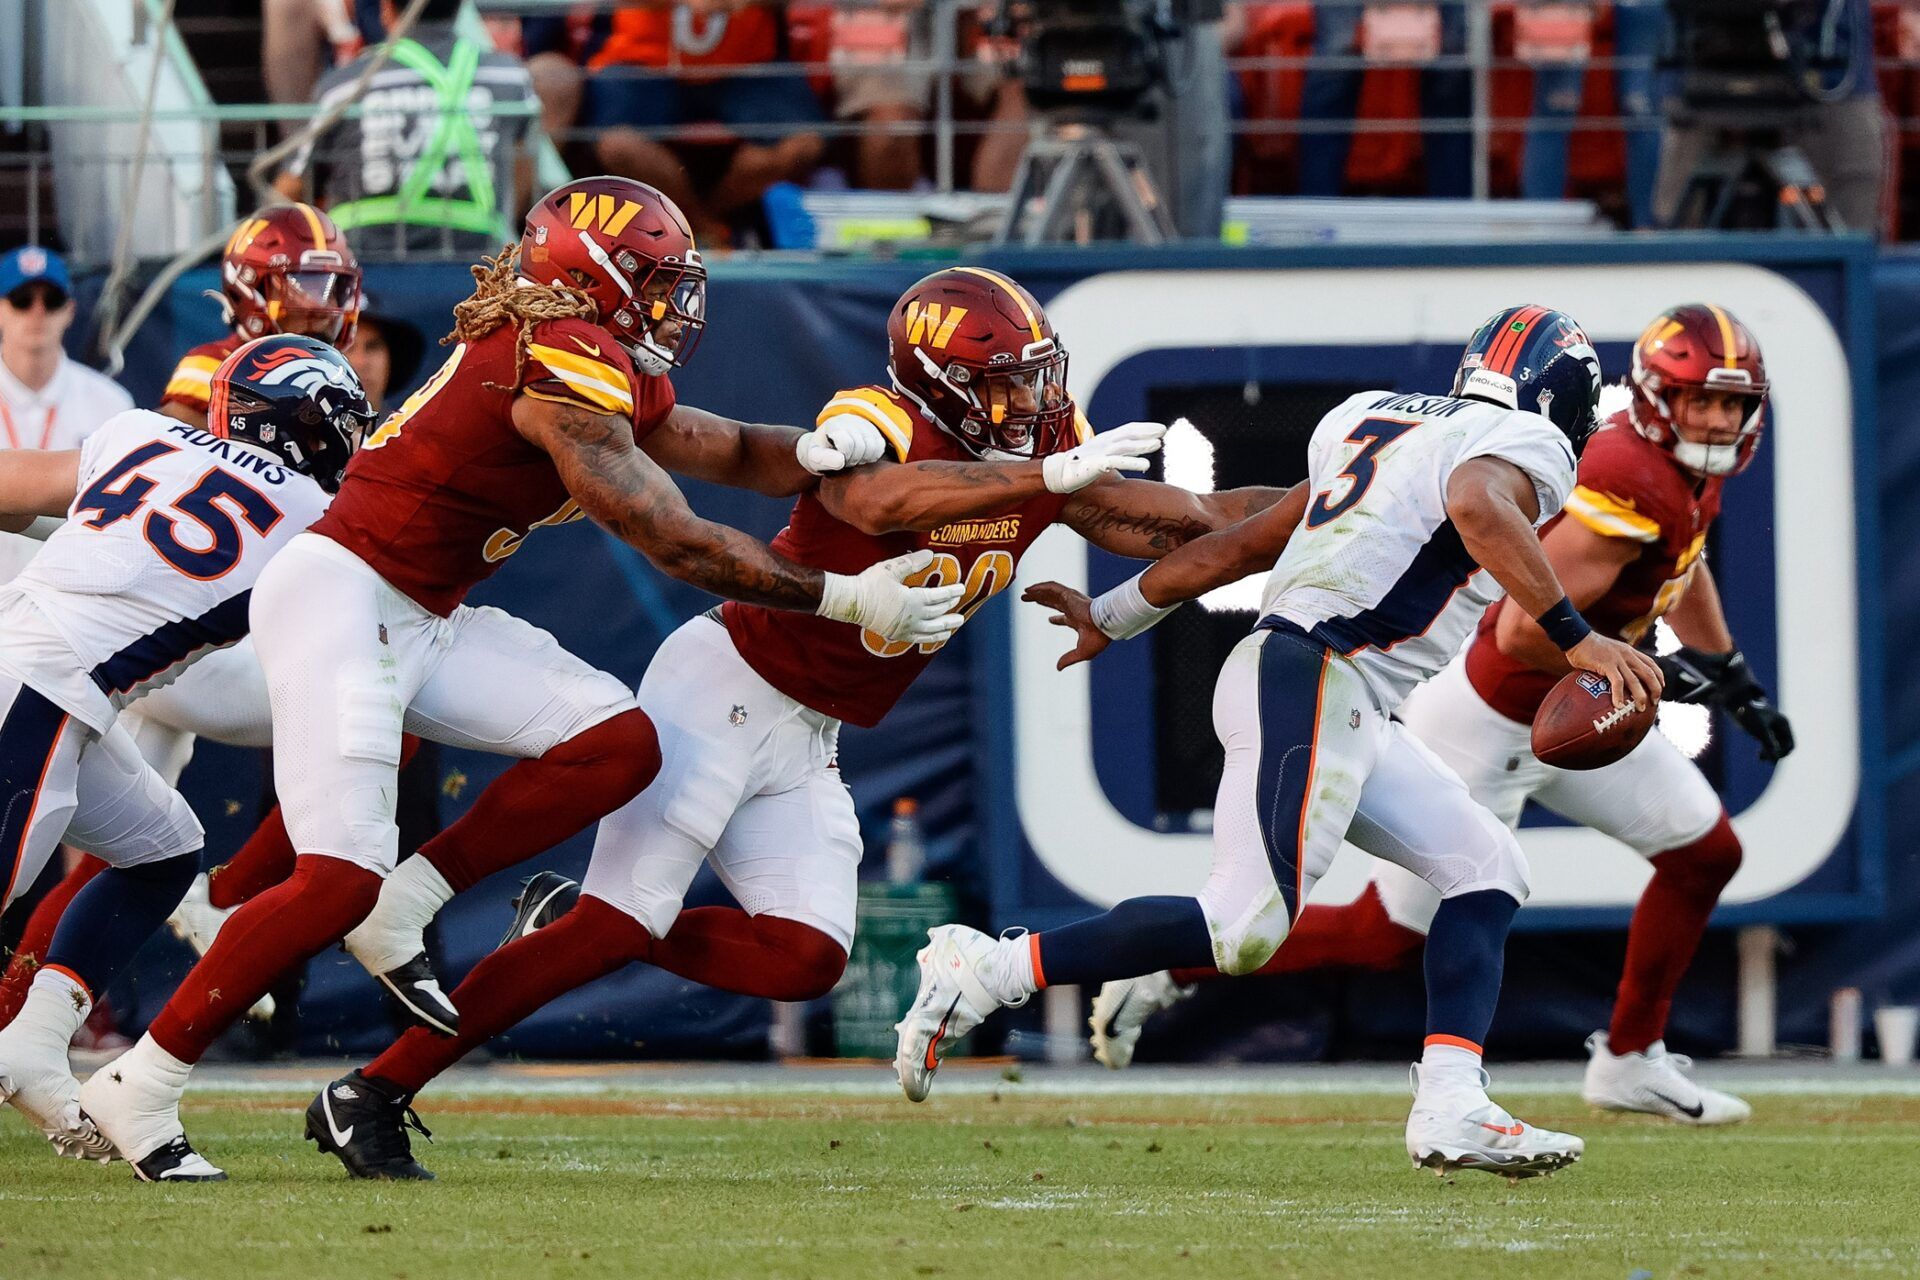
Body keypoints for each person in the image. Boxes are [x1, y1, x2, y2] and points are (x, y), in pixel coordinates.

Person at [299, 265, 1293, 1180]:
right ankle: (371, 1090)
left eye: (1039, 378)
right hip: (727, 684)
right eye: (1004, 382)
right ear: (937, 384)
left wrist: (1332, 501)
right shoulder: (882, 418)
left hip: (812, 727)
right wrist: (1046, 479)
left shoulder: (1041, 444)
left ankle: (568, 923)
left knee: (802, 957)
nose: (1031, 404)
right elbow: (876, 495)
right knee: (622, 919)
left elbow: (1191, 515)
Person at [73, 175, 961, 1182]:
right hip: (347, 594)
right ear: (593, 278)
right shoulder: (560, 354)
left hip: (422, 609)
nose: (674, 306)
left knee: (618, 742)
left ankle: (410, 896)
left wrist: (814, 450)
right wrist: (844, 596)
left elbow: (714, 445)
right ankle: (141, 1080)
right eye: (654, 282)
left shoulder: (587, 347)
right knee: (332, 875)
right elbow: (668, 532)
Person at [900, 305, 1667, 1179]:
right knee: (1242, 930)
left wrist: (1115, 612)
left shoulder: (1374, 415)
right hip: (1316, 677)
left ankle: (1454, 1103)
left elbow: (1254, 541)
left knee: (1488, 867)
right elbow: (1474, 500)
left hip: (1335, 689)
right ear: (1563, 395)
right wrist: (1578, 636)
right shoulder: (1531, 447)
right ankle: (993, 965)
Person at [1095, 304, 1785, 1128]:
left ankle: (1630, 1062)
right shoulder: (1623, 474)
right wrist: (1655, 669)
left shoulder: (1683, 476)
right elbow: (1527, 631)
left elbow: (1681, 563)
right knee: (1389, 933)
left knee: (1705, 854)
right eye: (1699, 400)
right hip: (1496, 711)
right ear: (1648, 396)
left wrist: (1727, 671)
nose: (1715, 420)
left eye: (1730, 405)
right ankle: (1172, 966)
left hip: (1581, 707)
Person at [0, 335, 371, 1174]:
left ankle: (30, 1044)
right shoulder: (316, 524)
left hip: (37, 671)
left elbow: (9, 486)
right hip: (43, 694)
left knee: (163, 846)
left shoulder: (141, 435)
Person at [278, 0, 540, 258]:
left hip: (364, 270)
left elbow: (294, 185)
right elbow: (525, 164)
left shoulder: (344, 86)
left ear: (386, 9)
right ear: (460, 9)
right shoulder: (510, 77)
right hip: (477, 266)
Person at [581, 2, 827, 244]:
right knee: (617, 144)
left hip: (748, 63)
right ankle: (704, 228)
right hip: (641, 61)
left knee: (802, 143)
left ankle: (705, 225)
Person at [159, 203, 363, 431]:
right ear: (248, 287)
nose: (323, 306)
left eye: (335, 288)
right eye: (303, 286)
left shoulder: (338, 376)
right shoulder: (215, 367)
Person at [0, 246, 134, 581]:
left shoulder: (111, 403)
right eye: (21, 299)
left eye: (52, 300)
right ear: (1, 309)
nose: (38, 312)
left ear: (70, 310)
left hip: (72, 605)